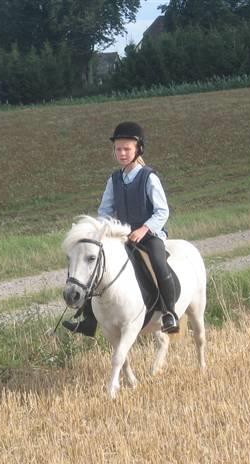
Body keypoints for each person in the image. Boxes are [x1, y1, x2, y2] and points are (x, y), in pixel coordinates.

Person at [63, 121, 179, 337]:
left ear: (138, 149)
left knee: (158, 263)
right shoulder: (114, 179)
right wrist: (100, 231)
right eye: (118, 149)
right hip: (121, 236)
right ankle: (89, 319)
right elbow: (105, 211)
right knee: (96, 266)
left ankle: (169, 312)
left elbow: (162, 211)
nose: (122, 153)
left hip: (149, 235)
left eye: (127, 149)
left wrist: (144, 229)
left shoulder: (148, 177)